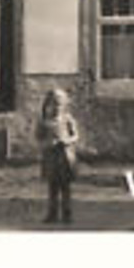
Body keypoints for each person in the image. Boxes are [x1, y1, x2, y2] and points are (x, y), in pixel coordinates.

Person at [35, 87, 79, 224]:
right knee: (52, 188)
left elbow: (75, 136)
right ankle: (52, 214)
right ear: (47, 104)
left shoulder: (67, 120)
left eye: (59, 104)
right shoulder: (43, 122)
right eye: (53, 104)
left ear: (65, 105)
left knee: (66, 188)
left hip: (65, 158)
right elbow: (38, 138)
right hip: (51, 160)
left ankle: (67, 214)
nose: (56, 108)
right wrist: (48, 143)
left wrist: (67, 141)